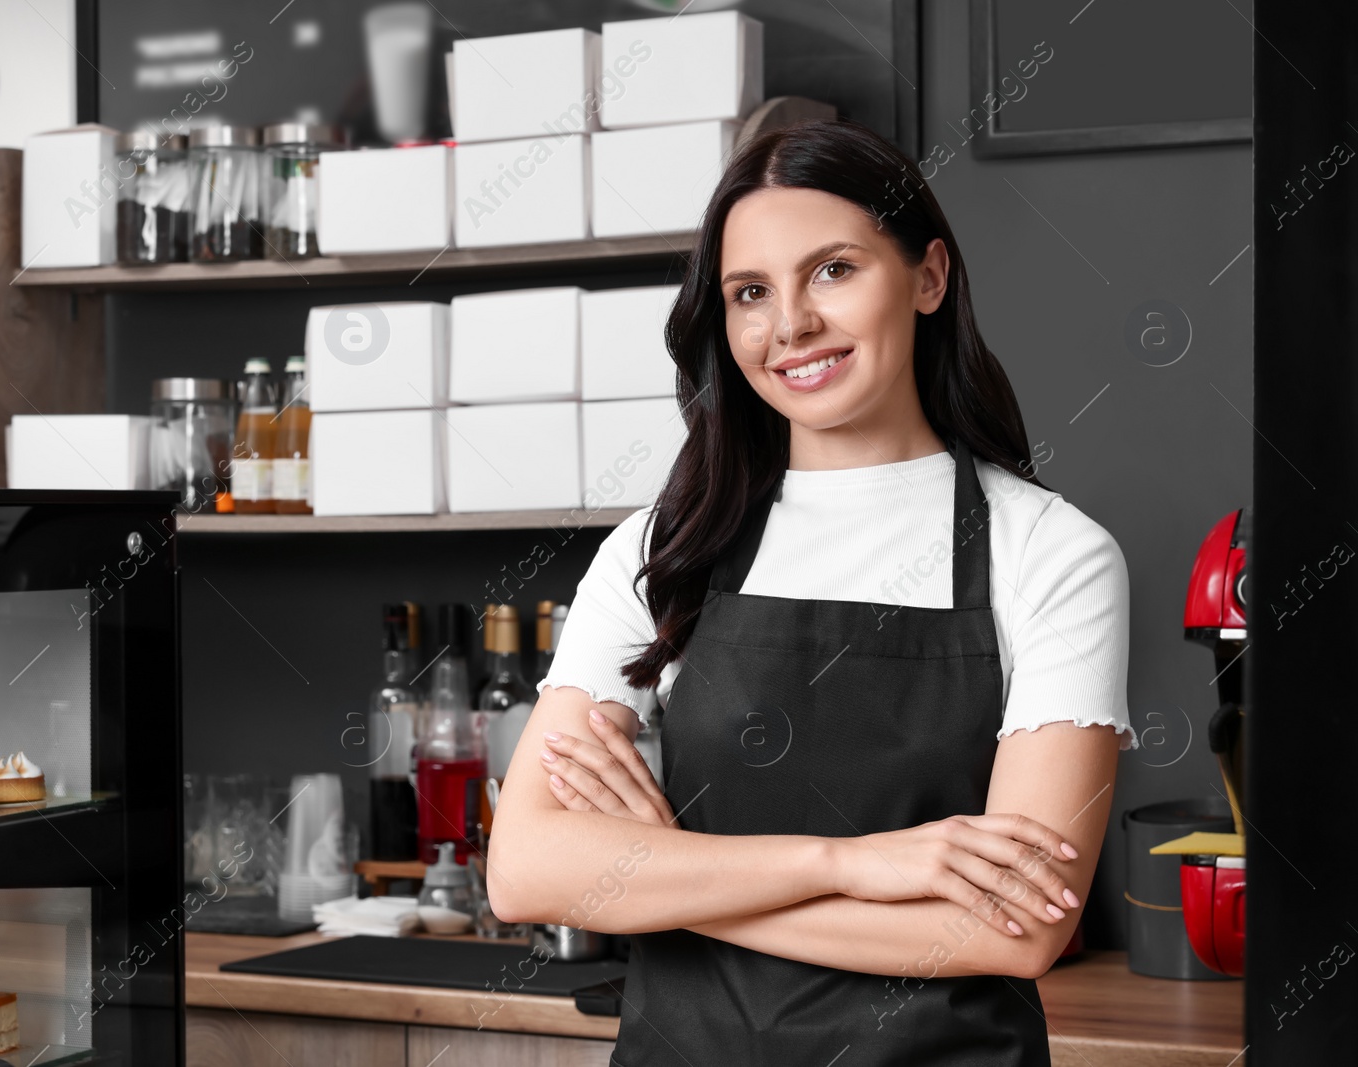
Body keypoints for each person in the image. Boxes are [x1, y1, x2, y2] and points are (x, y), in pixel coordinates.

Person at [485, 120, 1135, 1065]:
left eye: (833, 270)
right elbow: (525, 870)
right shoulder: (663, 551)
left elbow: (1016, 928)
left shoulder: (1051, 553)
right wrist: (855, 861)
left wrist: (668, 874)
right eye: (751, 292)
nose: (789, 324)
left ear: (928, 277)